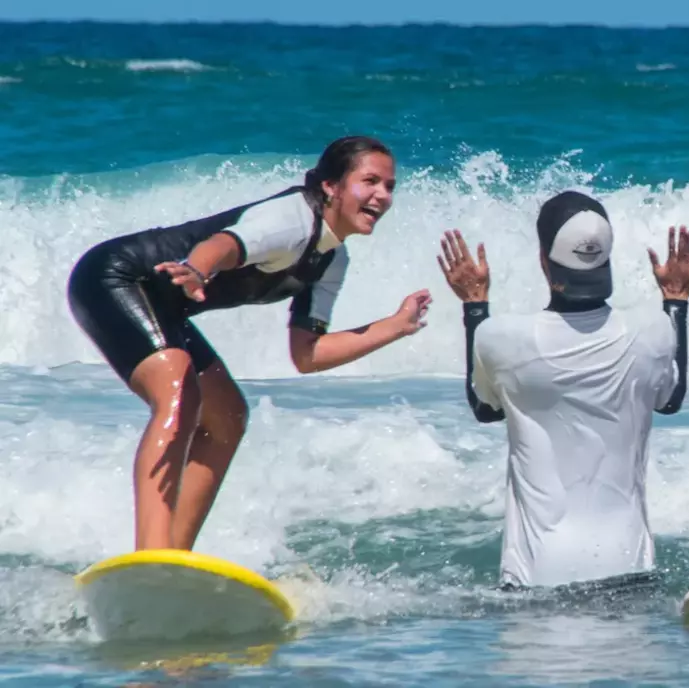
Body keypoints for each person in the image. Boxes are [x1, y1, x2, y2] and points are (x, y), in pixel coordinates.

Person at [67, 135, 432, 552]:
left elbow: (308, 354)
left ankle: (174, 556)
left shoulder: (331, 258)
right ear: (330, 186)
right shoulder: (291, 219)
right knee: (179, 396)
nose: (382, 196)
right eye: (370, 181)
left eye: (390, 187)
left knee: (227, 416)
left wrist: (395, 326)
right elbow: (224, 244)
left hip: (163, 307)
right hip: (114, 278)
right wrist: (198, 270)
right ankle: (150, 554)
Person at [437, 190, 689, 592]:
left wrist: (475, 305)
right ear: (607, 259)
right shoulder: (654, 331)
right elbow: (672, 395)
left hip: (536, 580)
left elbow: (484, 407)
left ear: (544, 259)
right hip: (628, 574)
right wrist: (676, 301)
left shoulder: (501, 338)